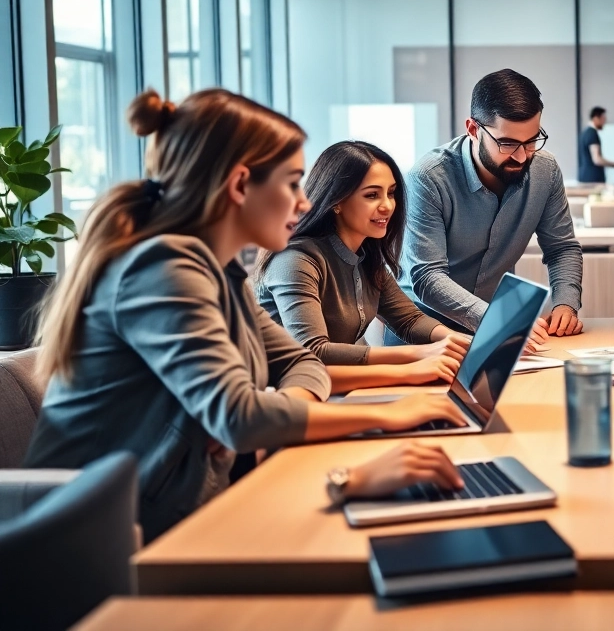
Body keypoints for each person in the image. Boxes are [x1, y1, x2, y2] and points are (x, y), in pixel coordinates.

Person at [24, 89, 468, 542]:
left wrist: (273, 415)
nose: (303, 201)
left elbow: (301, 364)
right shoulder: (160, 270)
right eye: (293, 182)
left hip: (189, 508)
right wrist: (388, 416)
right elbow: (241, 418)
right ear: (239, 185)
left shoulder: (222, 273)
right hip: (96, 539)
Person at [255, 141, 471, 394]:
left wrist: (456, 341)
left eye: (391, 193)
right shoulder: (295, 259)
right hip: (283, 397)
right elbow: (313, 350)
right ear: (337, 201)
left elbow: (409, 320)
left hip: (332, 389)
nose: (387, 205)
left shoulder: (367, 255)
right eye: (372, 195)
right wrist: (420, 354)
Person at [400, 68, 583, 348]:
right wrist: (498, 318)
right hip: (424, 334)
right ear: (473, 129)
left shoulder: (545, 170)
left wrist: (565, 304)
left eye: (532, 140)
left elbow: (562, 249)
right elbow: (427, 277)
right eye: (507, 143)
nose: (523, 156)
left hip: (499, 331)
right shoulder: (428, 178)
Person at [577, 106, 614, 184]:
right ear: (596, 118)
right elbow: (597, 159)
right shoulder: (592, 133)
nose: (604, 122)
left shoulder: (584, 133)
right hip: (593, 180)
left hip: (585, 177)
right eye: (603, 119)